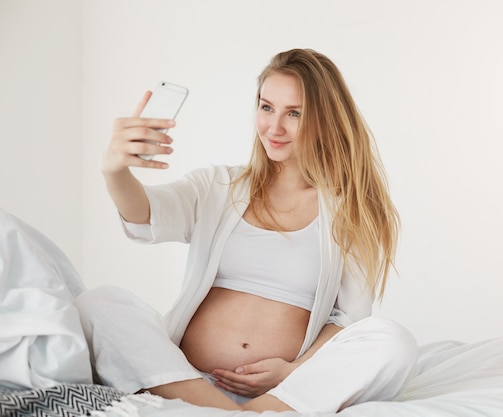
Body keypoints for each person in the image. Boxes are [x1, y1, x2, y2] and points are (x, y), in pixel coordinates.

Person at [77, 48, 418, 413]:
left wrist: (294, 371)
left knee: (393, 340)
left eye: (295, 113)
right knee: (98, 302)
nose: (274, 127)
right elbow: (146, 217)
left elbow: (348, 319)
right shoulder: (219, 186)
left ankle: (250, 410)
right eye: (266, 107)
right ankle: (226, 411)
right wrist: (114, 171)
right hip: (185, 375)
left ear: (325, 118)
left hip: (282, 391)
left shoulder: (350, 208)